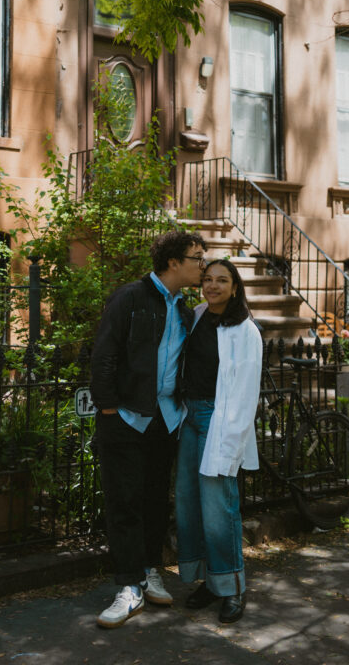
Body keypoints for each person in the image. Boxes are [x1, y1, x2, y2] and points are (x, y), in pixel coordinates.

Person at [90, 229, 207, 629]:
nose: (202, 266)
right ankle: (128, 587)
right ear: (174, 262)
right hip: (125, 417)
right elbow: (103, 354)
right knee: (124, 502)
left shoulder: (186, 310)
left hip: (167, 418)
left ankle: (150, 569)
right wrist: (107, 407)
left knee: (156, 500)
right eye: (197, 258)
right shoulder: (129, 298)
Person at [175, 258, 263, 624]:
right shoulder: (196, 316)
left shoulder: (245, 331)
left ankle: (234, 588)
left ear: (235, 287)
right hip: (189, 417)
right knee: (189, 505)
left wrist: (230, 444)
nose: (212, 286)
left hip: (219, 419)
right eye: (207, 279)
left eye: (221, 281)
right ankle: (211, 583)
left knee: (219, 508)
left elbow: (245, 395)